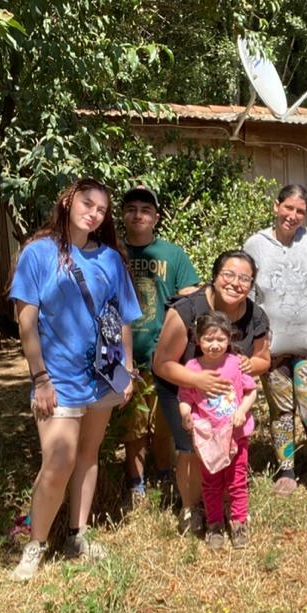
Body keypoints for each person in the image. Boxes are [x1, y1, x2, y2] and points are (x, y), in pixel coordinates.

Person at [9, 178, 142, 581]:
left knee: (88, 455)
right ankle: (36, 543)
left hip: (103, 375)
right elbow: (26, 321)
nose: (94, 214)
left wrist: (127, 370)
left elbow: (123, 318)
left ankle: (77, 535)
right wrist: (40, 378)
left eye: (101, 210)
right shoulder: (38, 253)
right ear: (68, 201)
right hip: (58, 379)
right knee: (59, 460)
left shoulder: (111, 259)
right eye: (87, 204)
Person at [152, 250, 272, 536]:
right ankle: (191, 508)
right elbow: (162, 364)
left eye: (245, 279)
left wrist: (248, 364)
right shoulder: (187, 310)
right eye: (228, 274)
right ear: (215, 277)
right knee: (191, 448)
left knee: (230, 447)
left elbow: (263, 359)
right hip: (180, 387)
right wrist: (197, 380)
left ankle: (228, 505)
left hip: (226, 400)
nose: (235, 283)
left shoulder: (255, 315)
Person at [244, 184, 307, 493]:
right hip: (272, 348)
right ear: (276, 206)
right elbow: (248, 294)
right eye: (288, 208)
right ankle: (286, 470)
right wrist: (254, 338)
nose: (293, 215)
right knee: (281, 410)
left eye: (300, 211)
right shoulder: (255, 245)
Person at [118, 186, 201, 502]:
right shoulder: (113, 252)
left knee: (166, 421)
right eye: (131, 209)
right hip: (126, 355)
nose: (138, 215)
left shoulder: (172, 254)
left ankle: (165, 474)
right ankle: (136, 482)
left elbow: (191, 292)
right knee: (134, 426)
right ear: (123, 215)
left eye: (145, 210)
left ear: (156, 217)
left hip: (165, 354)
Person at [178, 312, 258, 550]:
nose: (214, 345)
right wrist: (185, 415)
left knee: (237, 481)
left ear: (229, 339)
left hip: (236, 435)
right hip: (209, 439)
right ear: (198, 339)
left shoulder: (235, 363)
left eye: (221, 339)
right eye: (208, 339)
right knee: (211, 482)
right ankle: (214, 525)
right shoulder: (192, 368)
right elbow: (185, 397)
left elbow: (251, 391)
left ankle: (239, 523)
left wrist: (242, 410)